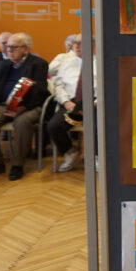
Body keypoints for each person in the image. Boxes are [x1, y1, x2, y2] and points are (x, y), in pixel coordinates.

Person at [0, 33, 50, 181]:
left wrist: (23, 107)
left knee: (23, 122)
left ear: (26, 49)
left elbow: (40, 91)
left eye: (14, 47)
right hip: (3, 105)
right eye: (8, 46)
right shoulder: (3, 64)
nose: (9, 49)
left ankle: (17, 165)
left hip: (29, 106)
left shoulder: (38, 64)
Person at [47, 34, 88, 171]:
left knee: (100, 125)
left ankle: (96, 155)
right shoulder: (65, 63)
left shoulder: (100, 62)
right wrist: (65, 102)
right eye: (75, 43)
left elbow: (104, 85)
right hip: (70, 102)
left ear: (93, 44)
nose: (76, 46)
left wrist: (95, 102)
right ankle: (70, 151)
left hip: (93, 103)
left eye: (81, 43)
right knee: (53, 126)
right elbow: (58, 86)